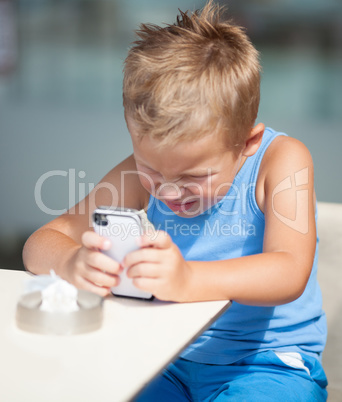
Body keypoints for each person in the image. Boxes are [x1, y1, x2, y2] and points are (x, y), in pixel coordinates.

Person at [23, 1, 328, 400]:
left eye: (192, 176)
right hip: (164, 358)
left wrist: (189, 279)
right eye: (152, 169)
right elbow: (41, 242)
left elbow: (289, 270)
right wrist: (70, 261)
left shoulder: (282, 160)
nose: (166, 191)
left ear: (247, 143)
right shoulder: (134, 173)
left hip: (268, 365)